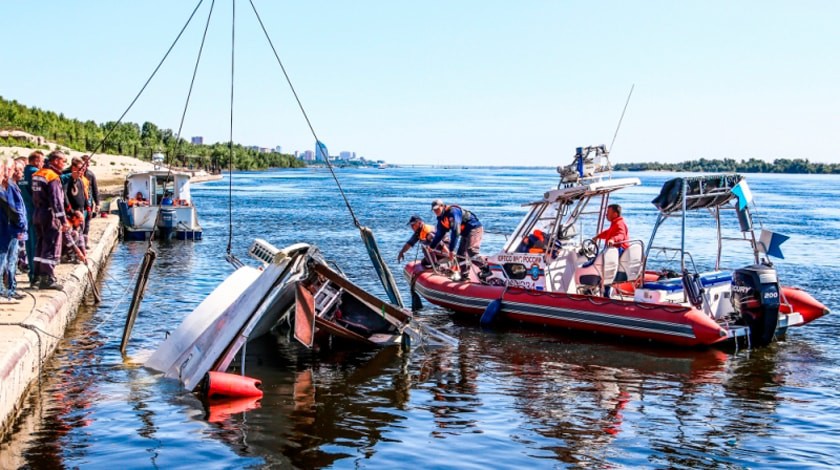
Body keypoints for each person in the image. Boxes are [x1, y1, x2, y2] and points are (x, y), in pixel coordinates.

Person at [32, 151, 70, 290]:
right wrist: (63, 220)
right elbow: (56, 201)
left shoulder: (38, 174)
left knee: (41, 244)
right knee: (51, 244)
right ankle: (47, 278)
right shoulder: (52, 177)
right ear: (55, 161)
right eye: (63, 161)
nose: (64, 164)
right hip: (49, 215)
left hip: (37, 212)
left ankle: (36, 275)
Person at [429, 199, 483, 280]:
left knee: (471, 250)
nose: (436, 211)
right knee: (461, 255)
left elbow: (455, 231)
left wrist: (451, 250)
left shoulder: (453, 212)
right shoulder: (441, 219)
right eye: (434, 210)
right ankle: (464, 275)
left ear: (442, 206)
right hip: (465, 233)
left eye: (437, 209)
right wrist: (432, 247)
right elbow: (439, 234)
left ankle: (485, 268)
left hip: (474, 228)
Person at [19, 150, 43, 286]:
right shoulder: (35, 173)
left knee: (28, 245)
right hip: (34, 211)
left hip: (24, 212)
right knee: (36, 244)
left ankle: (31, 274)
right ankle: (35, 274)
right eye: (42, 161)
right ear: (36, 161)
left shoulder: (22, 173)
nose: (43, 164)